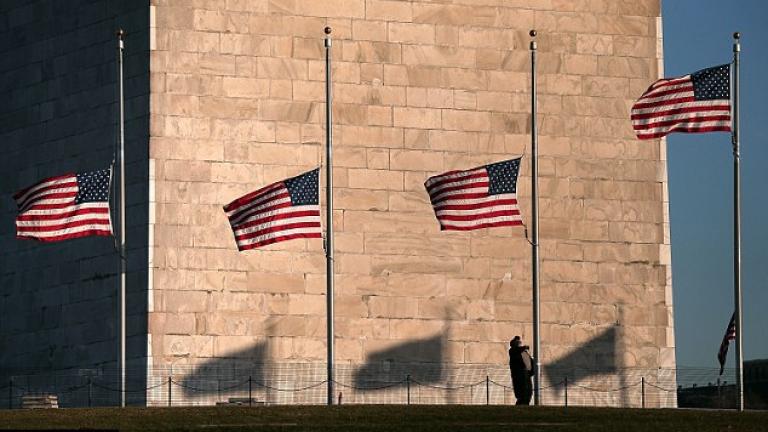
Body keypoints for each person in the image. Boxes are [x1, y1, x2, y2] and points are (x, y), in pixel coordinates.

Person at [509, 336, 534, 405]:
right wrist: (524, 347)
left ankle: (524, 405)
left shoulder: (523, 352)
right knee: (522, 394)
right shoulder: (513, 351)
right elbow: (516, 350)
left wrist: (531, 372)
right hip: (519, 375)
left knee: (528, 393)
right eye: (518, 343)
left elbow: (530, 363)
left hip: (526, 375)